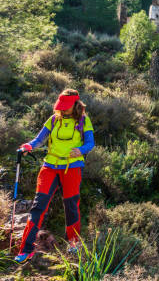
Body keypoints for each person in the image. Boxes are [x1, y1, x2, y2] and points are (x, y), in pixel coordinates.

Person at [14, 89, 95, 263]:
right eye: (61, 107)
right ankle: (26, 249)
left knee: (71, 206)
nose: (63, 110)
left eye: (66, 107)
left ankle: (73, 245)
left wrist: (80, 151)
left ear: (75, 105)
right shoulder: (53, 120)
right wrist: (28, 146)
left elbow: (90, 143)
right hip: (49, 167)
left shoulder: (84, 121)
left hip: (72, 168)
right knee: (38, 206)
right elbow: (39, 140)